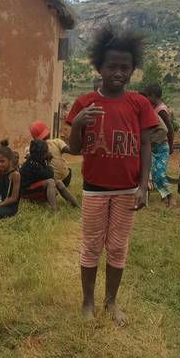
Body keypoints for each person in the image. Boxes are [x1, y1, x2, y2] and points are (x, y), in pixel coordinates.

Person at [66, 26, 158, 325]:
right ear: (99, 67)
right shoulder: (84, 103)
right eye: (111, 66)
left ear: (133, 69)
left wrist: (143, 186)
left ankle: (111, 303)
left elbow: (146, 145)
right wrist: (78, 124)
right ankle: (88, 303)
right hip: (94, 188)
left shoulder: (139, 104)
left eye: (125, 67)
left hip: (127, 189)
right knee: (92, 245)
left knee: (118, 246)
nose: (118, 72)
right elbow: (75, 148)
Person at [28, 121, 78, 206]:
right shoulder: (57, 142)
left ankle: (53, 203)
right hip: (65, 179)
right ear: (48, 132)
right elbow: (72, 151)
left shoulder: (32, 149)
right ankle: (76, 205)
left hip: (47, 182)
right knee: (66, 171)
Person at [143, 85, 173, 207]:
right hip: (152, 147)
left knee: (159, 174)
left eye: (147, 97)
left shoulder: (160, 110)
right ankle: (147, 199)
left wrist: (171, 145)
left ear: (152, 96)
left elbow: (167, 129)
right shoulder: (152, 109)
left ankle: (170, 198)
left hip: (160, 146)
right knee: (148, 172)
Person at [20, 139, 58, 212]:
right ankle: (54, 210)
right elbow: (50, 175)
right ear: (39, 153)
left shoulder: (38, 160)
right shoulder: (33, 164)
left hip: (34, 185)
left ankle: (76, 205)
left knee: (59, 182)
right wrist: (49, 162)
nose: (47, 153)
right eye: (46, 151)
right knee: (50, 182)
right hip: (26, 191)